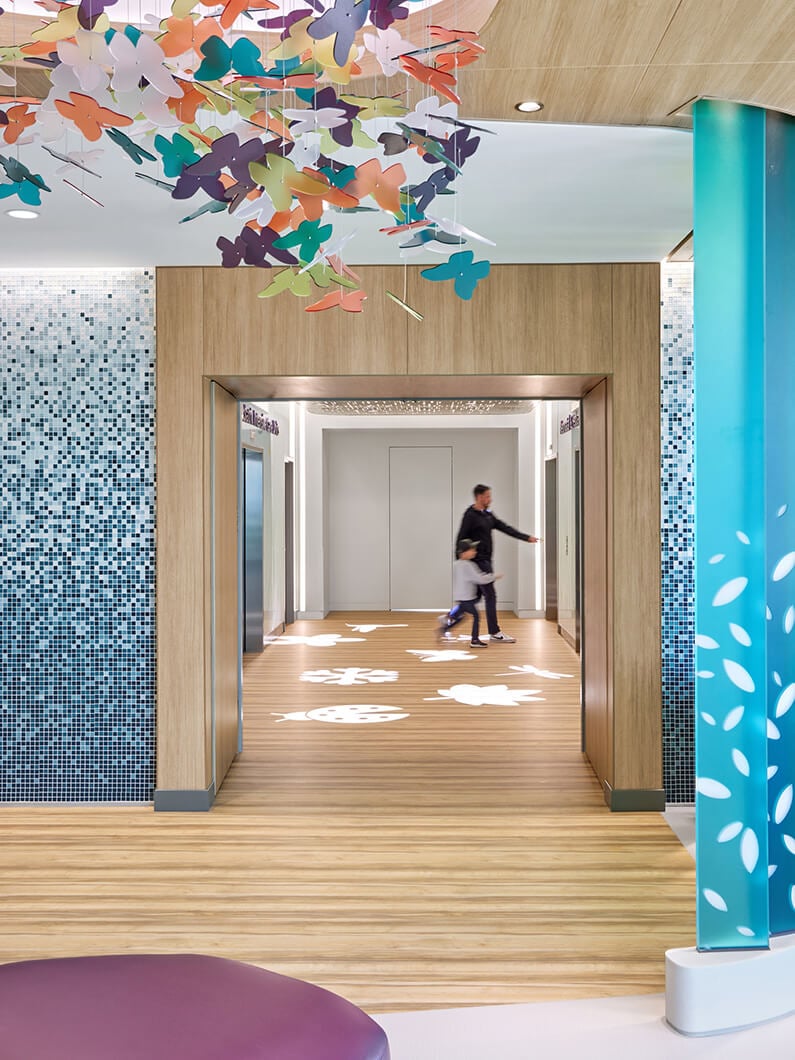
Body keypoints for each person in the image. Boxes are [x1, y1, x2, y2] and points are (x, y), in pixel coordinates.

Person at [456, 484, 539, 643]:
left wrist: (526, 537)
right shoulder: (470, 516)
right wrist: (460, 563)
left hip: (487, 560)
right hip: (477, 562)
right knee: (490, 595)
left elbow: (504, 527)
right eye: (487, 496)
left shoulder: (488, 515)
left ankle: (450, 618)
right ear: (479, 497)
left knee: (475, 597)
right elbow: (460, 539)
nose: (490, 499)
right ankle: (495, 632)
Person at [438, 539, 502, 647]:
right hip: (467, 598)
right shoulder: (468, 565)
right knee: (476, 616)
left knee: (462, 616)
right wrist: (494, 576)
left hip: (461, 596)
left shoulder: (456, 564)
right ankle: (475, 640)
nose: (474, 552)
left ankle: (445, 626)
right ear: (463, 552)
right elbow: (480, 579)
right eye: (472, 550)